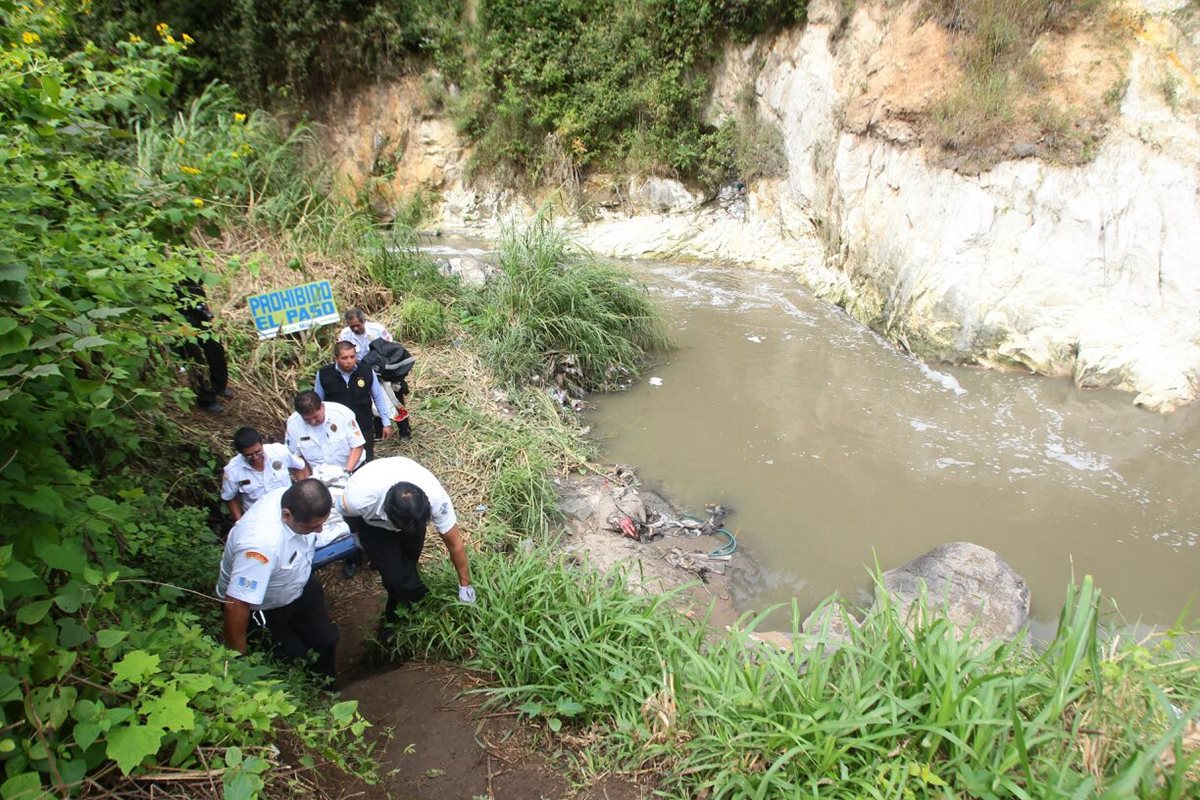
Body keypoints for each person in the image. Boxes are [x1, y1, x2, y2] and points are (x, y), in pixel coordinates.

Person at [216, 480, 339, 679]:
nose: (319, 532)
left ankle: (328, 688)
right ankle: (310, 701)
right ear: (286, 515)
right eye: (312, 527)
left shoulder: (294, 497)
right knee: (293, 659)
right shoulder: (259, 546)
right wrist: (238, 659)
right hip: (265, 607)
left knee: (327, 640)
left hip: (298, 583)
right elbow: (236, 603)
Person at [339, 456, 476, 633]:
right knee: (397, 576)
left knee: (408, 565)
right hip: (374, 527)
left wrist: (466, 586)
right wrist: (356, 536)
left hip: (411, 518)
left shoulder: (435, 498)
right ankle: (424, 610)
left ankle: (396, 607)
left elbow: (454, 543)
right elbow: (346, 514)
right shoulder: (358, 498)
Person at [314, 341, 393, 462]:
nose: (349, 361)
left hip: (363, 424)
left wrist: (386, 422)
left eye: (352, 356)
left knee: (367, 459)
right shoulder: (324, 374)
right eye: (344, 358)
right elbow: (318, 403)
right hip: (337, 427)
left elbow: (378, 398)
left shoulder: (366, 371)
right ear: (336, 358)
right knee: (342, 458)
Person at [220, 427, 306, 522]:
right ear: (240, 453)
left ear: (262, 443)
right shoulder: (233, 470)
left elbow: (300, 467)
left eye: (258, 452)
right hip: (257, 520)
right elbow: (229, 498)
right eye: (249, 455)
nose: (255, 457)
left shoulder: (279, 451)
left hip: (289, 512)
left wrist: (303, 494)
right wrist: (239, 523)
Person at [177, 278, 231, 414]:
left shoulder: (189, 260)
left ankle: (219, 386)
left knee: (215, 348)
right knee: (195, 357)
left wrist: (206, 307)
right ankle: (206, 399)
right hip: (179, 319)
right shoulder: (160, 266)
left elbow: (198, 284)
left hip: (197, 313)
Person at [285, 391, 366, 477]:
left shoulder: (342, 414)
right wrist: (307, 484)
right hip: (319, 477)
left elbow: (357, 446)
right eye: (307, 419)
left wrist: (347, 473)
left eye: (316, 416)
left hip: (352, 470)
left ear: (322, 407)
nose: (313, 421)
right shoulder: (293, 424)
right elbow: (296, 459)